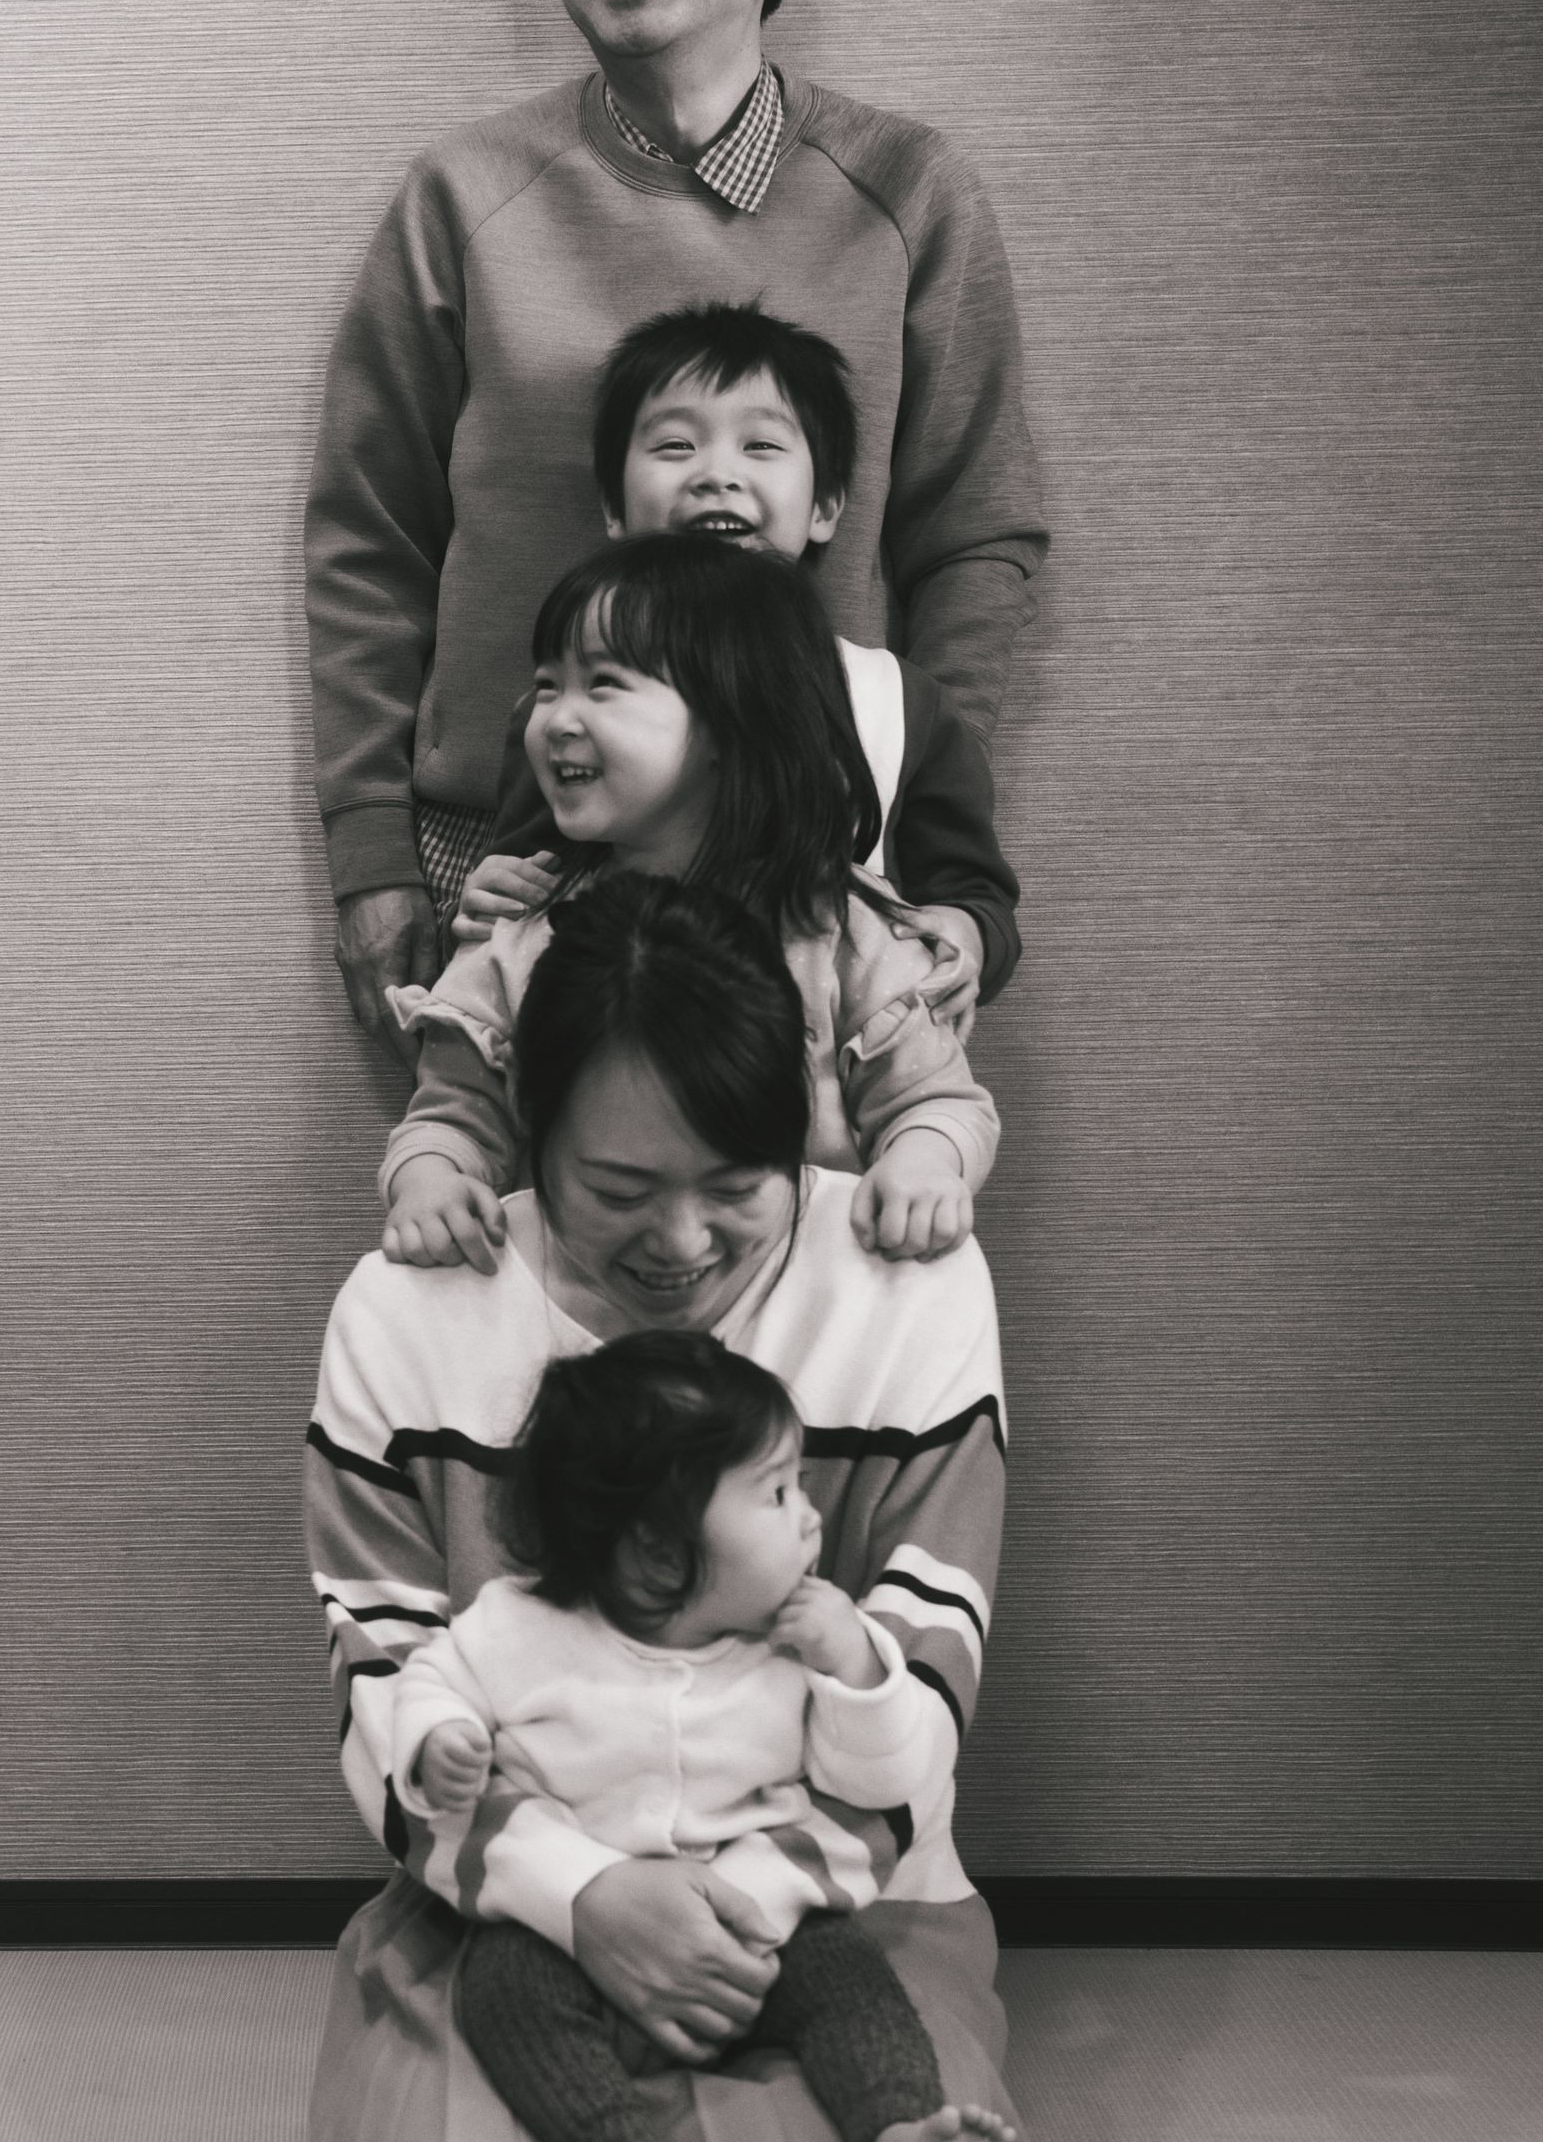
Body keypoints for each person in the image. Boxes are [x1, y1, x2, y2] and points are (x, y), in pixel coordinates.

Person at [305, 0, 1048, 1058]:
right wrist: (371, 855)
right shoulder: (464, 194)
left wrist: (916, 801)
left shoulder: (909, 191)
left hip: (814, 857)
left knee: (833, 1179)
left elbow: (973, 533)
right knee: (485, 1179)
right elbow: (372, 537)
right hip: (517, 860)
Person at [305, 870, 1015, 2136]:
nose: (681, 1244)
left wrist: (735, 1907)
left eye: (737, 1185)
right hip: (490, 1898)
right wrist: (582, 1897)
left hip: (849, 1891)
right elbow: (391, 1694)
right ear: (530, 1129)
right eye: (622, 1193)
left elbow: (921, 1673)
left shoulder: (909, 1286)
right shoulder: (407, 1315)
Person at [394, 1331, 1017, 2142]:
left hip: (763, 1930)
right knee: (503, 1988)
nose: (810, 1516)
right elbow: (432, 1677)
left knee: (848, 1976)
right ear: (658, 1551)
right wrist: (437, 1736)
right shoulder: (520, 1626)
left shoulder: (799, 1644)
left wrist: (857, 1667)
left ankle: (898, 2119)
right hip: (566, 1931)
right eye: (777, 1493)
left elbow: (882, 1779)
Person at [378, 536, 999, 1271]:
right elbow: (453, 1113)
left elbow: (935, 1100)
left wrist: (925, 1162)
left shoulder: (843, 932)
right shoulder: (522, 926)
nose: (555, 719)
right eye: (548, 684)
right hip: (597, 1307)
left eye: (602, 684)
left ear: (733, 720)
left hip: (817, 1301)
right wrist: (430, 1179)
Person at [459, 300, 1022, 1018]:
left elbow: (976, 899)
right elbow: (515, 905)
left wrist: (966, 937)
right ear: (613, 508)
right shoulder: (561, 712)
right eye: (674, 446)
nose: (716, 474)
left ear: (825, 505)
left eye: (760, 446)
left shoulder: (897, 703)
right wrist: (487, 902)